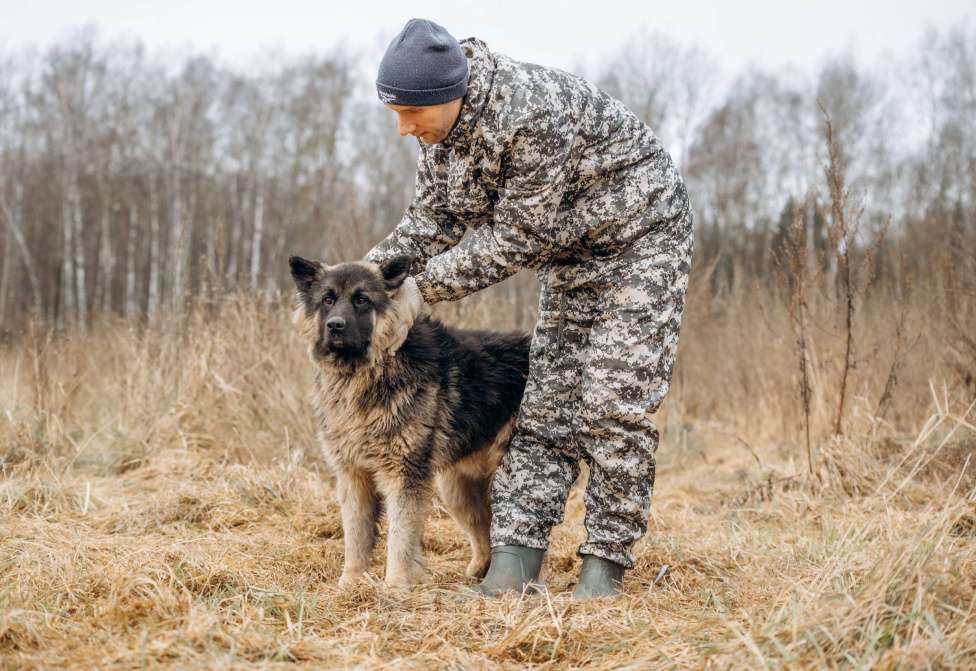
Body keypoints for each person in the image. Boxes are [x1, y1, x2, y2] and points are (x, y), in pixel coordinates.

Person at [365, 18, 693, 598]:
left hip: (642, 241)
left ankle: (604, 569)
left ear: (449, 94)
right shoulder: (437, 139)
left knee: (611, 404)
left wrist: (419, 291)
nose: (400, 128)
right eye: (393, 112)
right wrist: (367, 277)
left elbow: (516, 239)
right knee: (545, 404)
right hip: (571, 256)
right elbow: (430, 222)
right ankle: (514, 561)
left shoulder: (532, 110)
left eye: (410, 113)